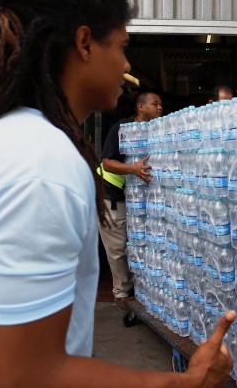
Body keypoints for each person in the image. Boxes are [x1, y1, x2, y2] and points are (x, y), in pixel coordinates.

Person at [0, 0, 234, 387]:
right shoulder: (40, 164)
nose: (126, 65)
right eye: (120, 46)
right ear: (83, 43)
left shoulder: (19, 138)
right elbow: (29, 376)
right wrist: (187, 381)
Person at [99, 91, 162, 311]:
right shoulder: (122, 129)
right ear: (141, 107)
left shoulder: (157, 131)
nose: (159, 108)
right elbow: (107, 163)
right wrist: (133, 169)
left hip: (140, 200)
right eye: (155, 104)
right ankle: (122, 295)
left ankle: (143, 290)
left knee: (139, 244)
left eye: (160, 104)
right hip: (114, 196)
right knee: (118, 249)